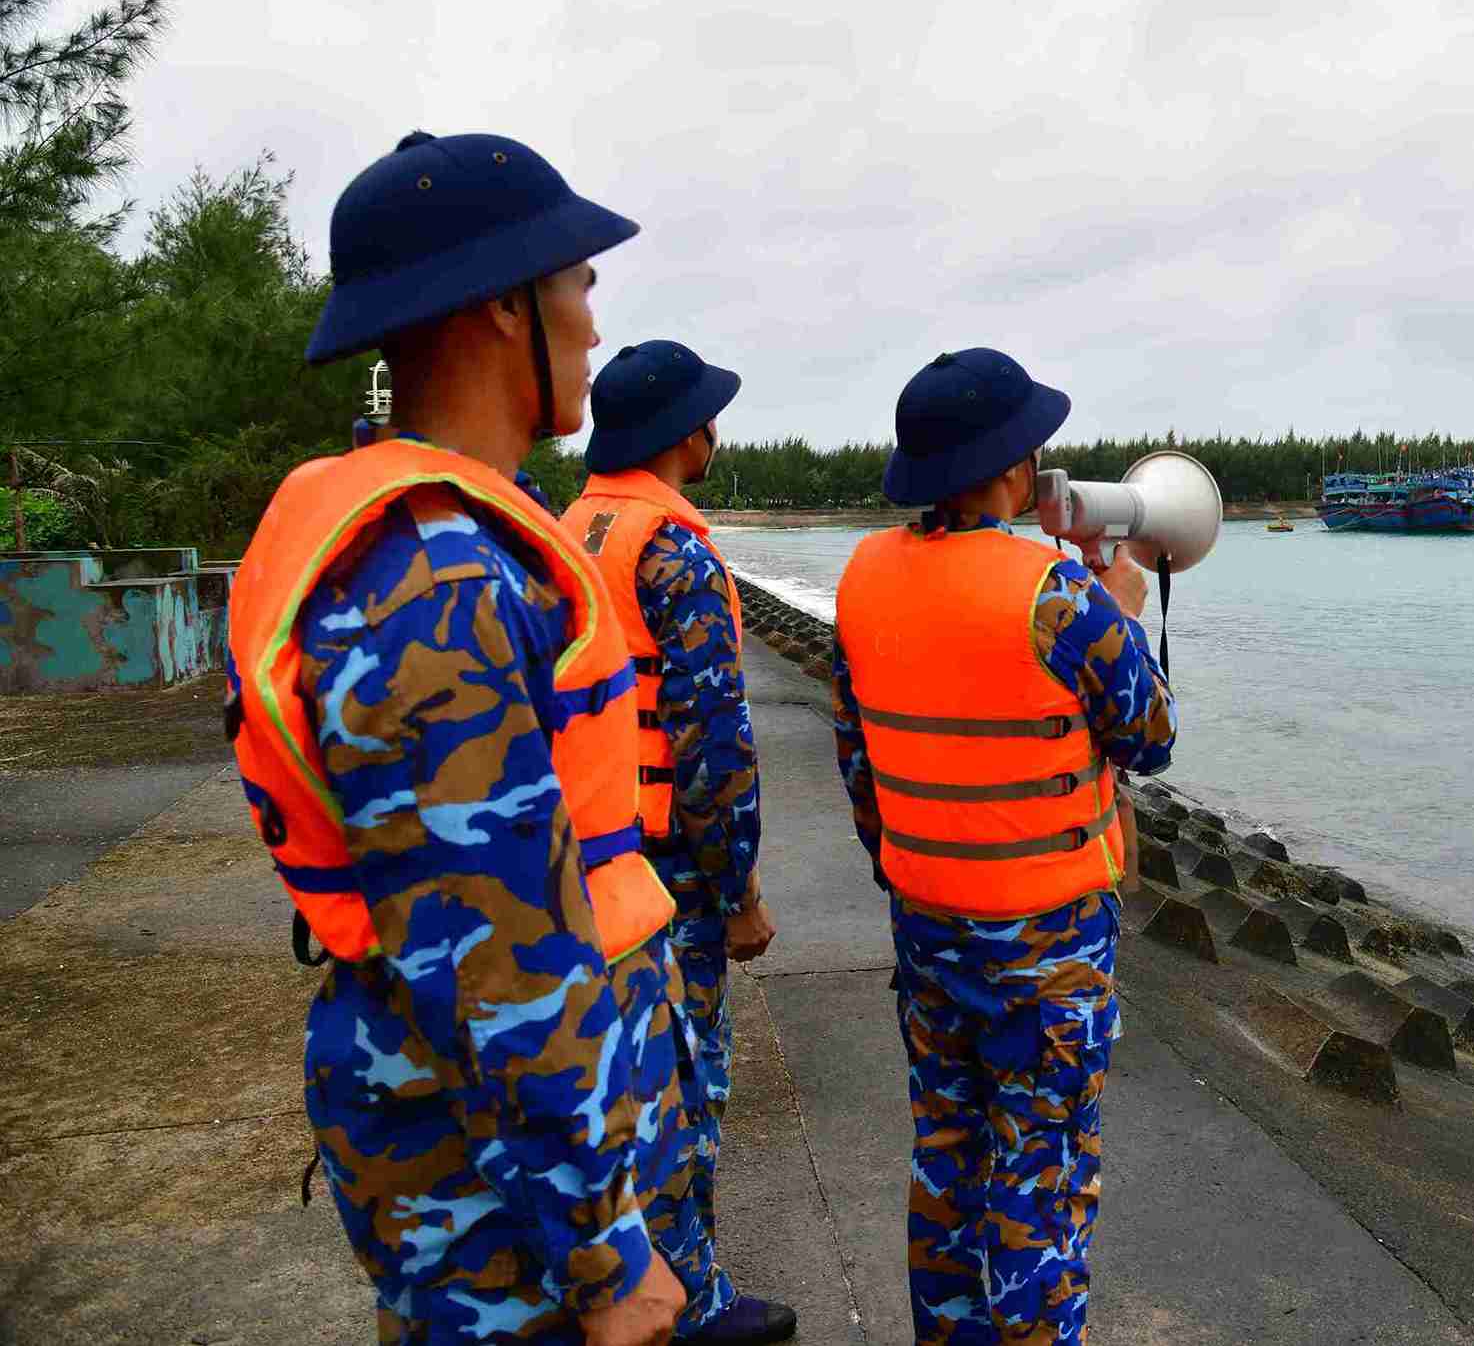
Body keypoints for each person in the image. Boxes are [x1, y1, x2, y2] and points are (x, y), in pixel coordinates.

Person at [223, 130, 760, 1345]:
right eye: (576, 283)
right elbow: (489, 960)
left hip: (515, 1164)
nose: (592, 319)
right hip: (502, 1212)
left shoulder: (468, 540)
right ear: (500, 309)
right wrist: (607, 1253)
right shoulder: (433, 577)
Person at [829, 347, 1178, 1345]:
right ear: (1013, 468)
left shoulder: (861, 576)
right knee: (1041, 1181)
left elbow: (861, 768)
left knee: (947, 1161)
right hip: (1048, 947)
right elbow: (1149, 737)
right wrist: (1124, 607)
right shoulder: (1057, 596)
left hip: (928, 926)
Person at [561, 340, 792, 1344]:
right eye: (706, 414)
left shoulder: (572, 531)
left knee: (615, 1083)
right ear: (680, 433)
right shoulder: (678, 552)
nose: (714, 428)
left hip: (584, 853)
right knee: (683, 1088)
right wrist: (738, 887)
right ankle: (690, 1304)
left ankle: (652, 1279)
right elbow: (710, 744)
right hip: (669, 877)